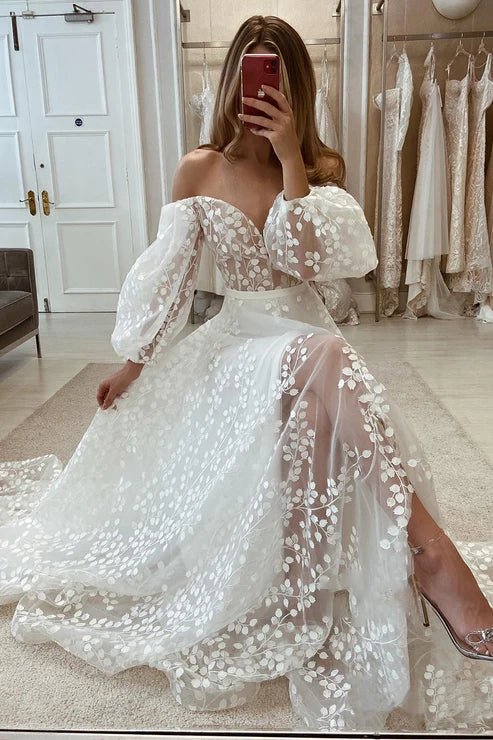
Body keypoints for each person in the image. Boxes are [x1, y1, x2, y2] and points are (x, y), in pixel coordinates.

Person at [0, 15, 492, 734]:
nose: (258, 87)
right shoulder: (199, 167)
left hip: (303, 333)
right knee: (329, 359)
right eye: (250, 70)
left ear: (297, 88)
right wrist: (135, 361)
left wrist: (291, 159)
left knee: (320, 398)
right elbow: (172, 275)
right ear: (232, 76)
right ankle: (429, 553)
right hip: (239, 341)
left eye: (276, 75)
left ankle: (305, 578)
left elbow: (306, 266)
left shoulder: (321, 169)